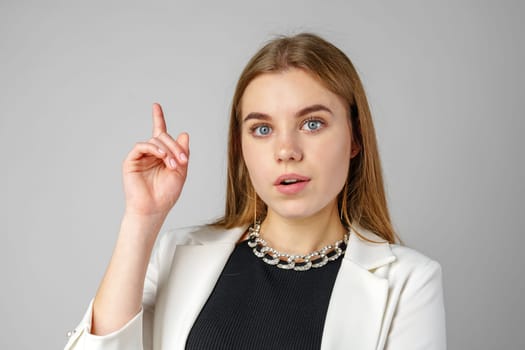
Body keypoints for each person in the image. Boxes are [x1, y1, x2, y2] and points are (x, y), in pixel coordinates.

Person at [64, 33, 446, 350]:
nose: (286, 151)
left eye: (312, 124)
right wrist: (141, 219)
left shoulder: (410, 283)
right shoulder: (177, 256)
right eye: (262, 129)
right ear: (240, 147)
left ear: (355, 139)